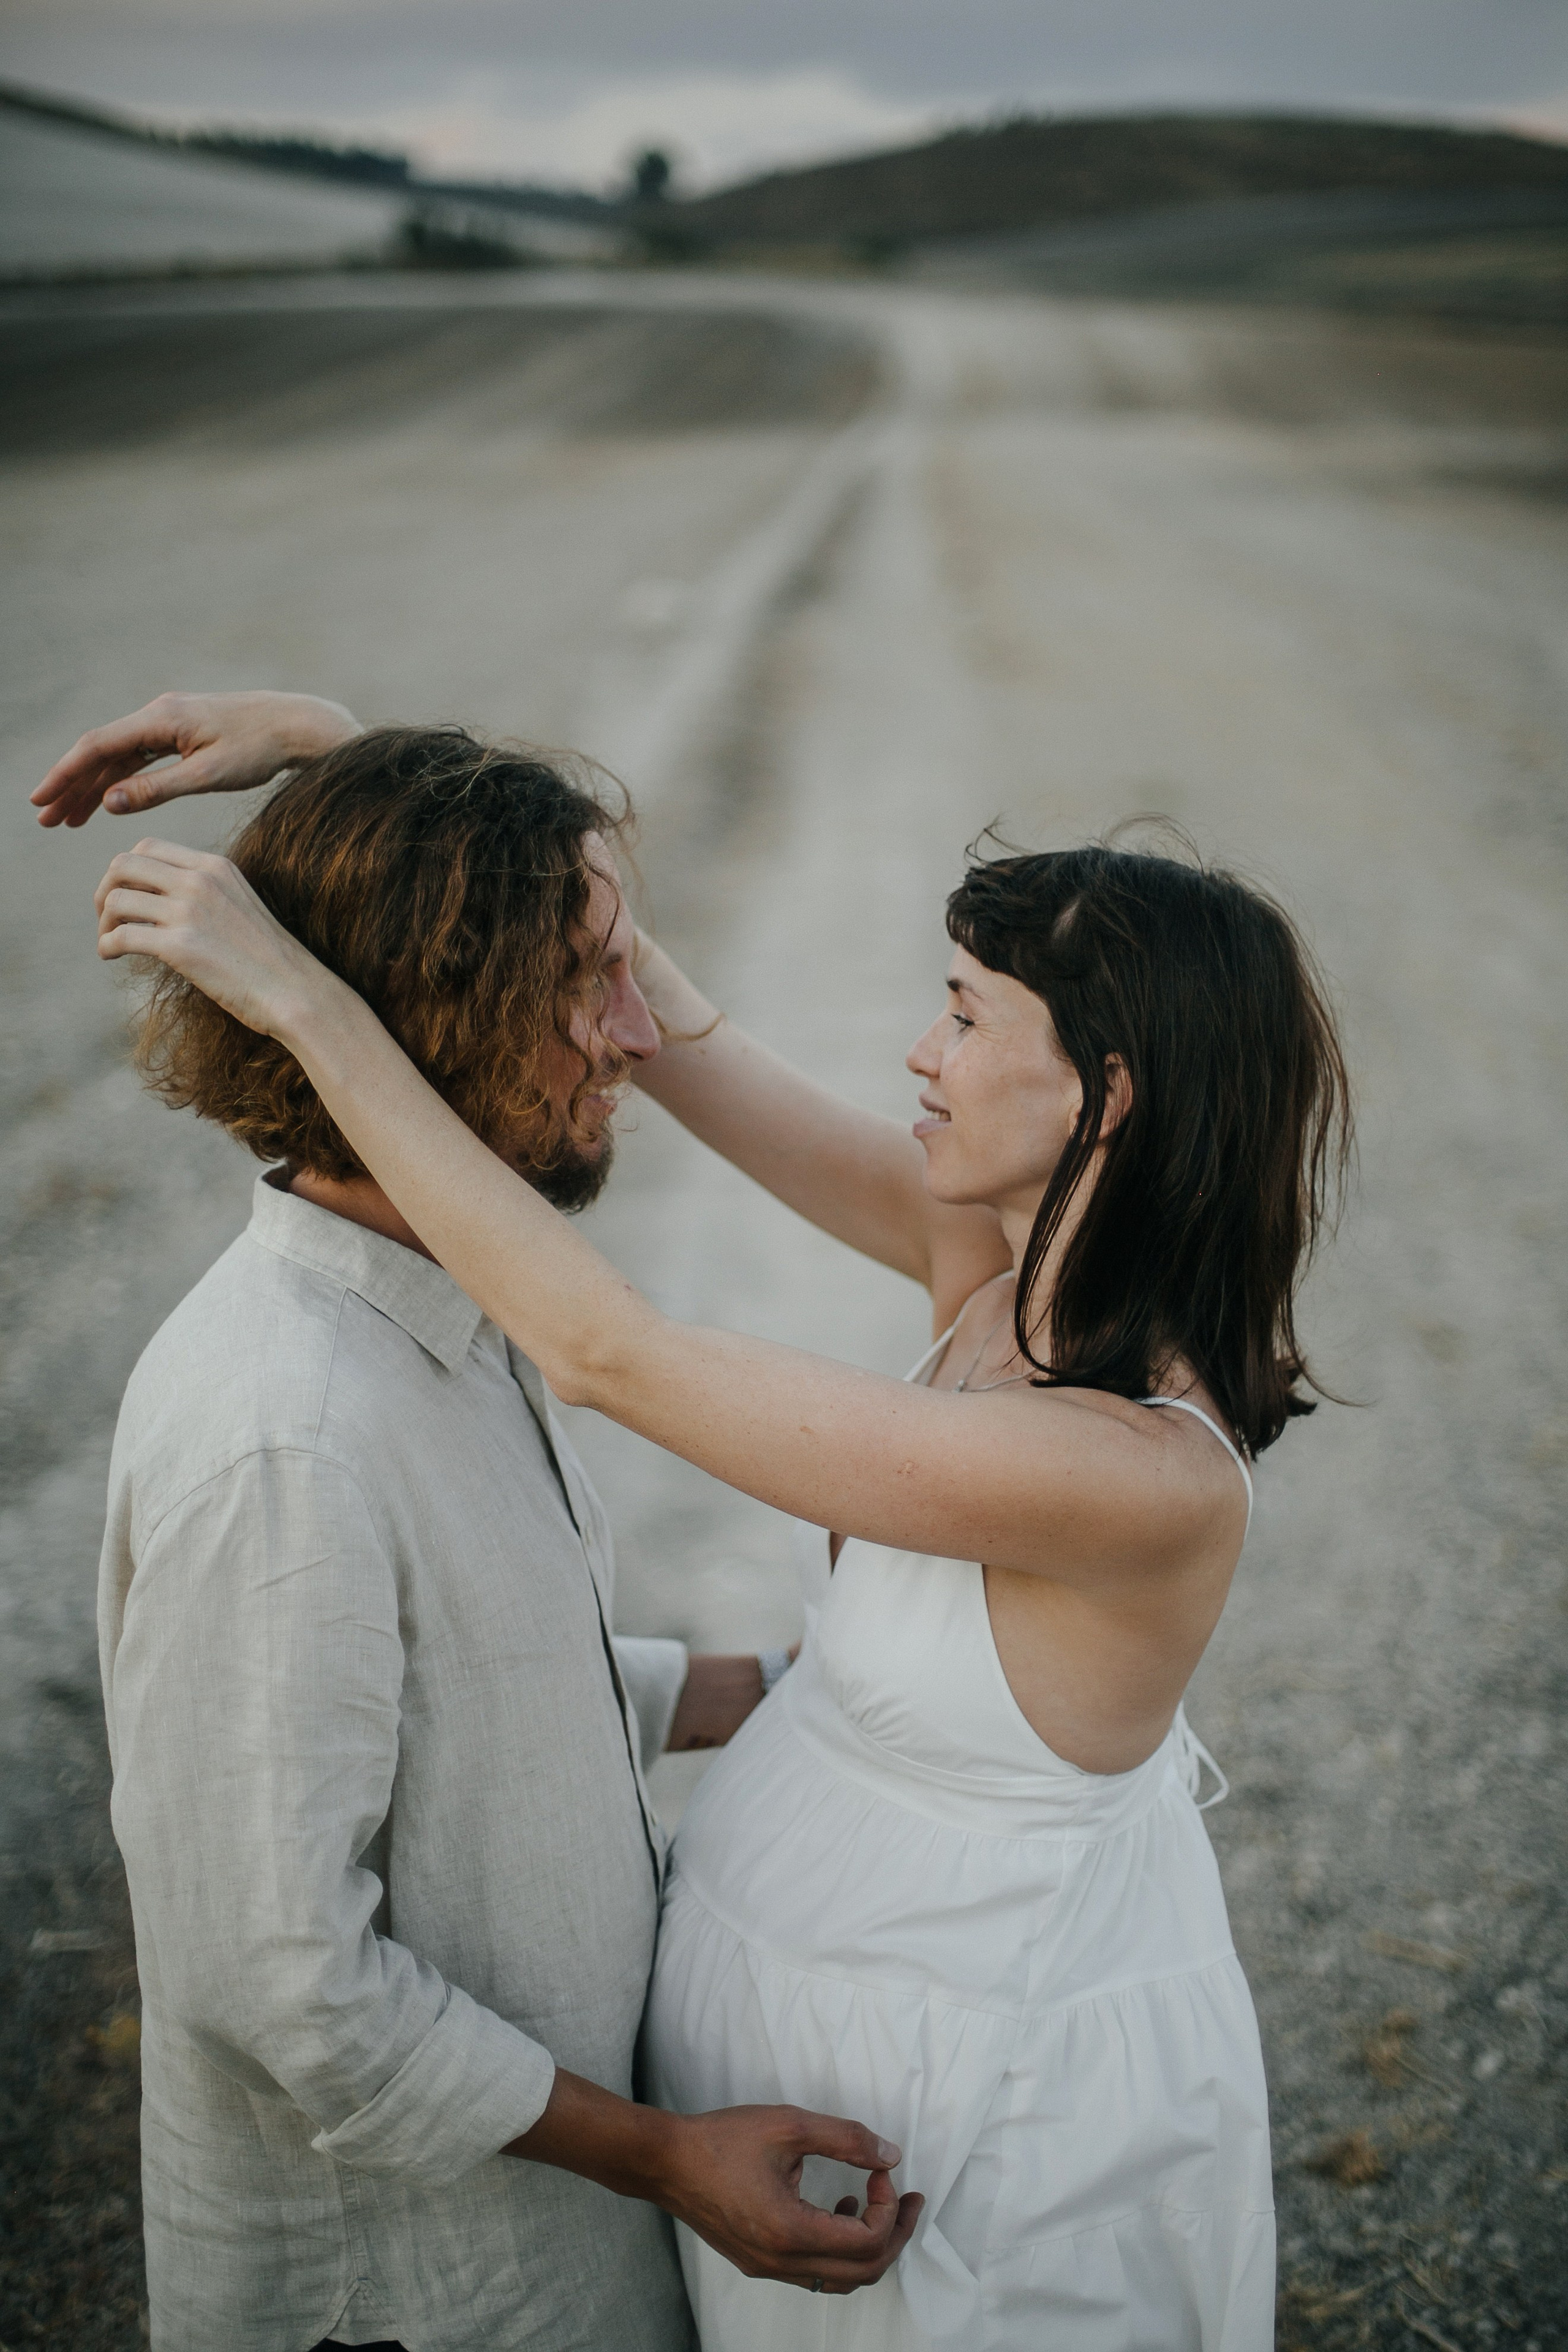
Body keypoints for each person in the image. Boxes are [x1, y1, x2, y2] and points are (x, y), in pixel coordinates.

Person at [48, 688, 1352, 2348]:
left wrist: (306, 1001)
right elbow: (648, 1004)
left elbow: (605, 1350)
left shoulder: (1132, 1473)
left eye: (960, 1015)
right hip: (802, 2093)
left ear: (1109, 1093)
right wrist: (357, 767)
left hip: (960, 2117)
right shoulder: (996, 1275)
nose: (916, 1054)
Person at [62, 722, 921, 2352]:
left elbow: (482, 1673)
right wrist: (664, 2157)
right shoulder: (285, 1434)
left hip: (551, 2255)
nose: (637, 1031)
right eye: (586, 980)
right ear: (425, 1018)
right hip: (421, 2294)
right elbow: (285, 1979)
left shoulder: (441, 1317)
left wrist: (778, 1686)